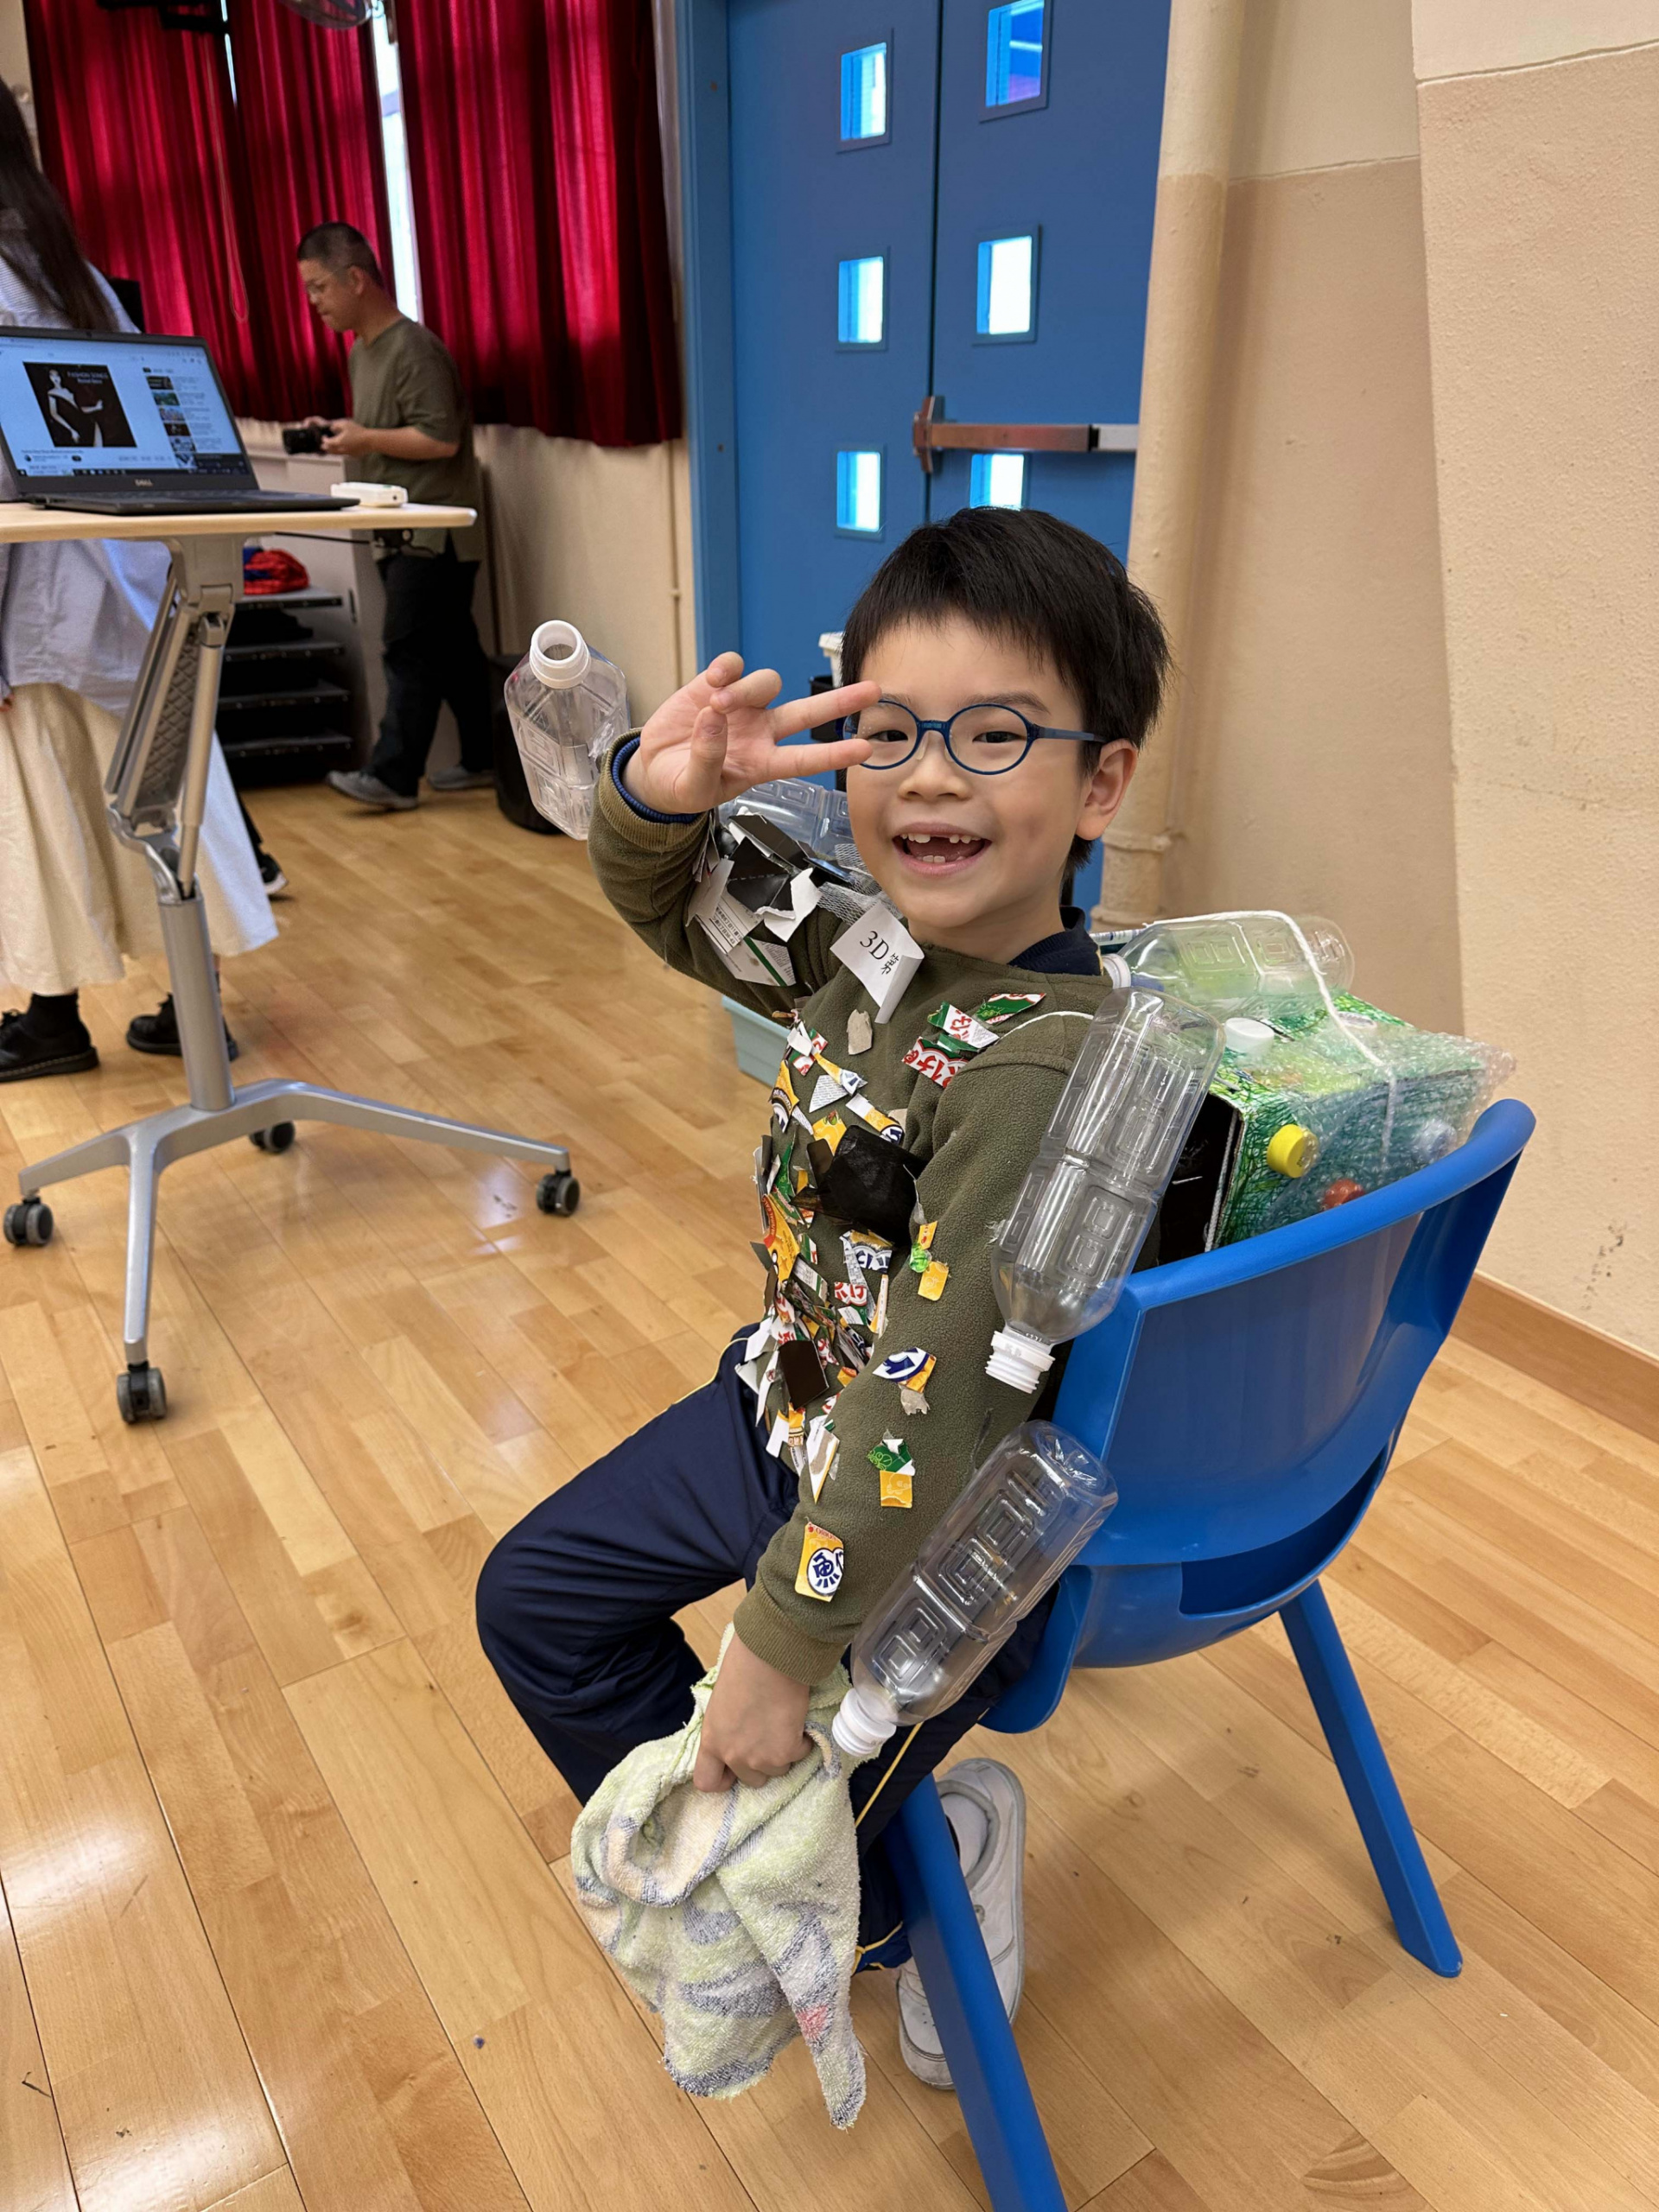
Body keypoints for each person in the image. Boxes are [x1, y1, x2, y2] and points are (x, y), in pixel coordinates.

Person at [477, 506, 1168, 2087]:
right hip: (786, 1405)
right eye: (889, 730)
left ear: (1100, 783)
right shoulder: (865, 949)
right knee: (538, 1605)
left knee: (776, 1800)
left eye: (996, 735)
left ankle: (920, 1874)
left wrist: (777, 1645)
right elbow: (674, 897)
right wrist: (662, 791)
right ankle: (886, 1874)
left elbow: (945, 1404)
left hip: (928, 1534)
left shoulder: (1033, 1073)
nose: (930, 778)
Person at [0, 84, 273, 1084]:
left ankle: (53, 1019)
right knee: (168, 798)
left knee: (54, 811)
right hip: (138, 590)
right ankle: (191, 1008)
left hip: (43, 606)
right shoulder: (70, 273)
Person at [295, 221, 495, 813]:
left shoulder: (415, 348)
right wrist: (346, 434)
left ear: (356, 279)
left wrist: (364, 439)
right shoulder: (362, 350)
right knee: (455, 657)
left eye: (319, 287)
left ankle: (393, 776)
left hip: (434, 532)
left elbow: (440, 440)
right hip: (398, 527)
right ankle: (486, 759)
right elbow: (386, 432)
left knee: (407, 650)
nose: (314, 303)